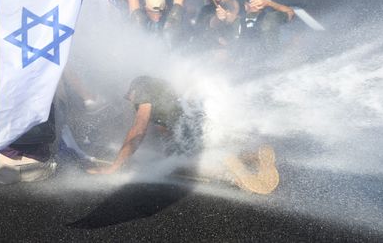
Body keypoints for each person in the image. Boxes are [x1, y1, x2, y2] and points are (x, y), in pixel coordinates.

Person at [87, 76, 279, 194]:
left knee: (185, 166)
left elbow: (138, 130)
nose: (128, 101)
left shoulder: (140, 90)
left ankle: (231, 172)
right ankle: (252, 157)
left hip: (188, 130)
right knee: (177, 155)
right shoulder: (156, 83)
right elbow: (166, 123)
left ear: (128, 90)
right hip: (198, 120)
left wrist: (115, 166)